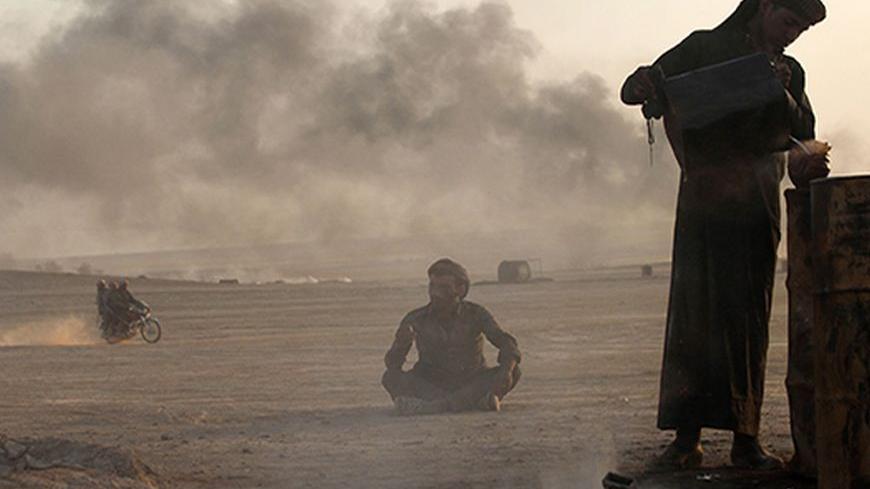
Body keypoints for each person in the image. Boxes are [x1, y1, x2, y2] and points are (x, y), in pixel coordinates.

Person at [620, 0, 829, 471]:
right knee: (692, 317)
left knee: (747, 317)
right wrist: (641, 84)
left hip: (756, 204)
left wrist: (787, 104)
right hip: (702, 201)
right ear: (764, 7)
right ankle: (685, 440)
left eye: (801, 27)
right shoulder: (703, 47)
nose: (794, 33)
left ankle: (745, 439)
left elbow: (804, 136)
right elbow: (641, 89)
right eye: (789, 20)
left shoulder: (790, 71)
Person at [381, 258, 522, 415]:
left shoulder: (476, 314)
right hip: (430, 383)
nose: (435, 293)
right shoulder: (416, 318)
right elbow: (392, 365)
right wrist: (400, 344)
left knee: (514, 371)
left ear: (460, 289)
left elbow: (505, 342)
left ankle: (435, 406)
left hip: (471, 380)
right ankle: (468, 403)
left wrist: (507, 370)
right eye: (432, 286)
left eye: (443, 287)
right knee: (390, 377)